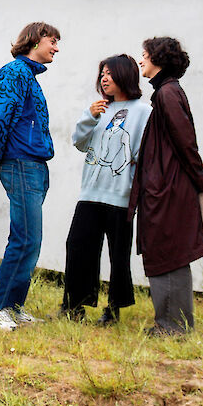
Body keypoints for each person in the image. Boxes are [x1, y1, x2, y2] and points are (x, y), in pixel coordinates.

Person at [0, 22, 60, 331]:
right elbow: (0, 118)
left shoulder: (30, 77)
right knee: (24, 237)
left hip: (34, 165)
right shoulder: (13, 72)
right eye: (53, 41)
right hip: (21, 164)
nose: (56, 47)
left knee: (31, 239)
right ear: (36, 40)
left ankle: (13, 306)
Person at [128, 37, 203, 335]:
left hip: (167, 190)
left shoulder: (167, 94)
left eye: (144, 55)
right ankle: (173, 323)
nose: (140, 60)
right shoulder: (166, 92)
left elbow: (186, 143)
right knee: (168, 251)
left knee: (168, 251)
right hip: (165, 187)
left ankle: (172, 326)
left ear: (158, 59)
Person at [60, 55, 151, 325]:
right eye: (102, 73)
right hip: (89, 193)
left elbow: (143, 152)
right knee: (77, 247)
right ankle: (73, 306)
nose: (104, 77)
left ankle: (113, 310)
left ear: (125, 75)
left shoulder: (143, 111)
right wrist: (90, 116)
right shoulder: (98, 108)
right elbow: (78, 142)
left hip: (120, 196)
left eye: (110, 73)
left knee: (118, 255)